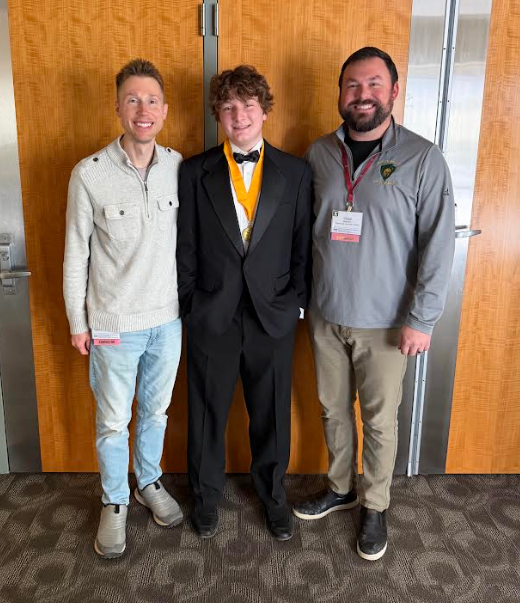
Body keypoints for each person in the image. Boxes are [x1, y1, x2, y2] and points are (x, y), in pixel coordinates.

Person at [293, 47, 455, 561]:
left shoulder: (423, 157)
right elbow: (304, 234)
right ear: (341, 93)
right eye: (353, 86)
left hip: (388, 323)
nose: (362, 96)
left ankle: (375, 505)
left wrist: (422, 318)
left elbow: (439, 241)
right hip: (325, 313)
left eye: (373, 85)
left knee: (380, 421)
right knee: (332, 409)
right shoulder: (318, 154)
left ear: (393, 92)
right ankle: (340, 488)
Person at [177, 65, 312, 541]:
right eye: (229, 107)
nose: (239, 116)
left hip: (272, 314)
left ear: (264, 111)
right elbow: (186, 248)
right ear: (218, 113)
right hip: (212, 314)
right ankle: (206, 497)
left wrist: (294, 301)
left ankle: (274, 498)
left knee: (272, 414)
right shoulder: (194, 172)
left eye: (248, 106)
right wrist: (191, 305)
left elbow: (302, 246)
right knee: (206, 414)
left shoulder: (295, 172)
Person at [63, 58, 183, 558]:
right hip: (112, 325)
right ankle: (114, 502)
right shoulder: (88, 174)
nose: (143, 109)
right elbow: (76, 253)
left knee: (156, 411)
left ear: (164, 109)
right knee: (113, 422)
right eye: (132, 99)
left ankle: (148, 482)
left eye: (151, 100)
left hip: (168, 321)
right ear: (117, 107)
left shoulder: (180, 167)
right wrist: (78, 322)